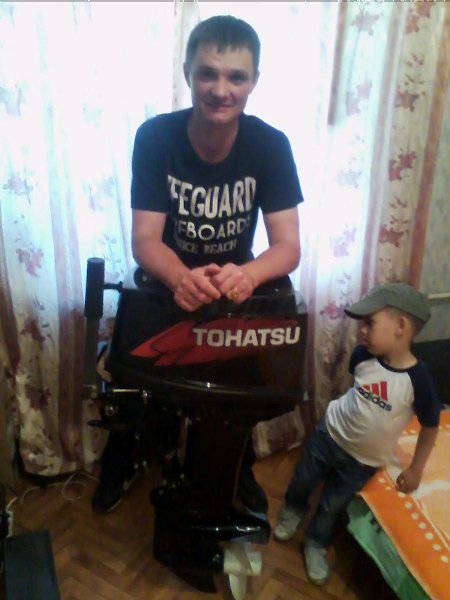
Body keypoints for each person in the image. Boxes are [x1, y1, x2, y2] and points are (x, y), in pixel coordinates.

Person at [92, 15, 303, 513]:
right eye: (208, 73)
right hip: (167, 281)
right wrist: (180, 278)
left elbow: (288, 247)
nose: (220, 89)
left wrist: (249, 274)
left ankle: (237, 462)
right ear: (187, 73)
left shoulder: (271, 145)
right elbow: (145, 240)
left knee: (243, 392)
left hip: (236, 287)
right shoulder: (155, 136)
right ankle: (126, 452)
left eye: (236, 77)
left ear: (254, 81)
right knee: (134, 384)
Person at [274, 283, 441, 585]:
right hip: (329, 436)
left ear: (401, 326)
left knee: (332, 506)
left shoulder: (420, 382)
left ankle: (316, 542)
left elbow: (430, 427)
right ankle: (293, 508)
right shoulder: (362, 356)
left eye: (369, 323)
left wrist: (416, 469)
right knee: (302, 480)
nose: (361, 330)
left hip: (362, 462)